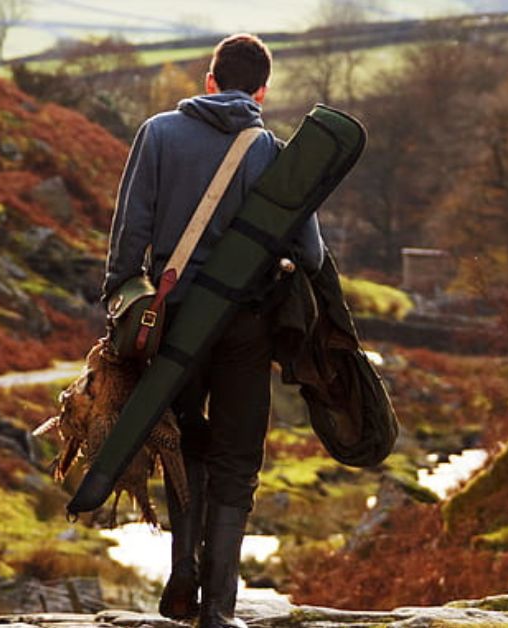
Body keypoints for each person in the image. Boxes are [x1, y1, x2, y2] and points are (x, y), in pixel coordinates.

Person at [101, 33, 323, 628]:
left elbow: (129, 235)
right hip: (245, 328)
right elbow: (312, 252)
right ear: (261, 92)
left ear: (208, 81)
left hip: (172, 323)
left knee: (182, 449)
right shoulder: (273, 152)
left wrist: (123, 310)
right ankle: (219, 608)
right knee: (236, 459)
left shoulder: (156, 134)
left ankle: (181, 581)